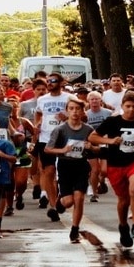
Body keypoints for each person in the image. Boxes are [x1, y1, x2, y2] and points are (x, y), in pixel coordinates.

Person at [89, 91, 134, 248]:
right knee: (123, 200)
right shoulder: (112, 121)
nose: (131, 110)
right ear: (122, 106)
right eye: (128, 106)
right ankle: (123, 225)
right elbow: (93, 137)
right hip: (116, 163)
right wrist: (110, 140)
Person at [45, 97, 95, 243]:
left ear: (82, 111)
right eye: (71, 109)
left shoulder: (88, 129)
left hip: (81, 165)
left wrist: (91, 147)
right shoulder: (60, 129)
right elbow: (48, 149)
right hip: (65, 165)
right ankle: (60, 203)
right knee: (68, 202)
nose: (74, 112)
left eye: (78, 109)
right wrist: (63, 149)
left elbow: (97, 148)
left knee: (79, 198)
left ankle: (75, 229)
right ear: (67, 111)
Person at [34, 72, 70, 218]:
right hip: (46, 139)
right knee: (48, 172)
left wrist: (67, 116)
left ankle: (62, 195)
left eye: (53, 80)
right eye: (47, 81)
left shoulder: (69, 98)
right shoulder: (42, 99)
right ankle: (53, 205)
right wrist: (37, 123)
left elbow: (82, 115)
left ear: (61, 83)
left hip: (65, 139)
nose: (49, 83)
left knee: (64, 173)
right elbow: (37, 113)